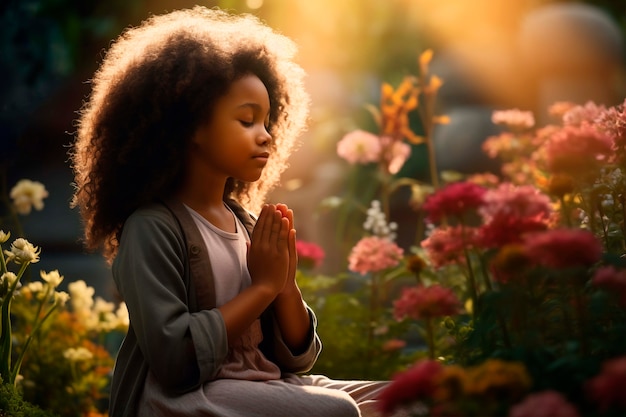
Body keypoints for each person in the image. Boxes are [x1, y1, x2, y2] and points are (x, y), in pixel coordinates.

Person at [69, 6, 392, 417]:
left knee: (407, 399)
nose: (267, 135)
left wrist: (283, 285)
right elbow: (174, 361)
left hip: (260, 384)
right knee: (338, 411)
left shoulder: (245, 222)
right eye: (247, 120)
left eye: (268, 121)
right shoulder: (151, 228)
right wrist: (261, 288)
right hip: (183, 397)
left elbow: (297, 358)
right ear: (191, 127)